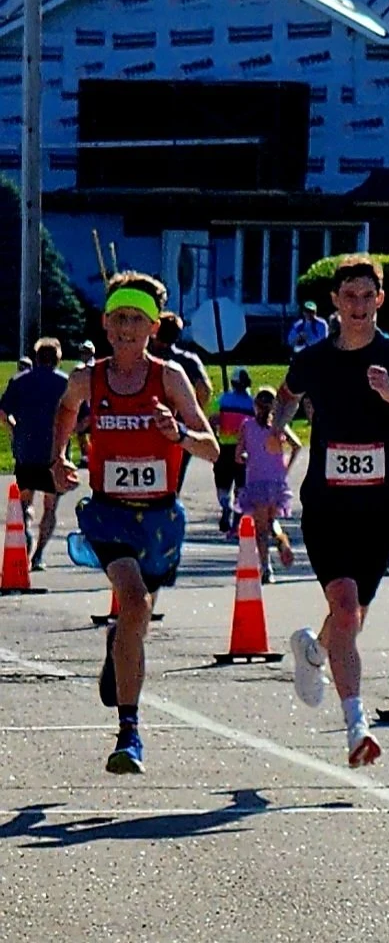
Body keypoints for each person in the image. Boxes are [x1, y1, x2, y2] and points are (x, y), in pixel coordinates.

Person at [272, 254, 389, 766]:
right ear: (334, 301)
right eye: (347, 296)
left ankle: (313, 651)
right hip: (327, 506)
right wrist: (275, 431)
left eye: (366, 296)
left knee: (349, 618)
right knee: (347, 607)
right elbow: (287, 394)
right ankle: (357, 727)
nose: (357, 305)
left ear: (381, 299)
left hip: (379, 508)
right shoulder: (314, 358)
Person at [50, 274, 218, 774]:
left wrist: (179, 431)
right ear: (105, 323)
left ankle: (118, 645)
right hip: (108, 512)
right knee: (135, 600)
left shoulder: (169, 378)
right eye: (118, 319)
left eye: (136, 320)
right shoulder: (88, 378)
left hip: (161, 518)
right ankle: (129, 732)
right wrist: (59, 457)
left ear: (152, 327)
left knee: (135, 619)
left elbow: (210, 448)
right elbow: (65, 409)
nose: (126, 329)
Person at [3, 335, 69, 568]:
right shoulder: (65, 382)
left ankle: (25, 534)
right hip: (54, 453)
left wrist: (13, 428)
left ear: (37, 357)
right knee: (50, 506)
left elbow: (3, 411)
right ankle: (39, 553)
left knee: (24, 499)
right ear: (58, 358)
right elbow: (83, 416)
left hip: (26, 450)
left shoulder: (20, 381)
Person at [235, 385, 301, 582]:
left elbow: (238, 456)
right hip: (276, 482)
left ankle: (266, 568)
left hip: (256, 481)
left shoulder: (247, 426)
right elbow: (297, 445)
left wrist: (249, 457)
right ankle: (282, 542)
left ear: (255, 406)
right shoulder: (278, 427)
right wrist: (285, 467)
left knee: (261, 530)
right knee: (272, 522)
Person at [154, 312, 213, 493]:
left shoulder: (146, 358)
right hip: (179, 427)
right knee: (174, 478)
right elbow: (205, 389)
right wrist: (192, 413)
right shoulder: (188, 360)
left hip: (148, 423)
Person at [214, 369, 256, 534]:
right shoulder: (252, 403)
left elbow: (213, 420)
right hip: (245, 449)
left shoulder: (223, 400)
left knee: (222, 484)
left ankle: (226, 507)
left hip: (224, 447)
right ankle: (237, 517)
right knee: (241, 485)